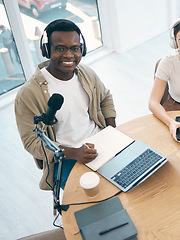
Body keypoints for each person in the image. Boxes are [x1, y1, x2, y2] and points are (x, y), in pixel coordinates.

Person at [15, 19, 116, 190]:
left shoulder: (86, 73)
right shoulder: (28, 94)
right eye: (60, 48)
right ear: (47, 50)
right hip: (66, 157)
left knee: (132, 180)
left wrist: (111, 131)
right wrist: (73, 153)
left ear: (81, 50)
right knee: (93, 204)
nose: (69, 55)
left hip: (101, 143)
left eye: (75, 48)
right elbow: (31, 142)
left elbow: (106, 97)